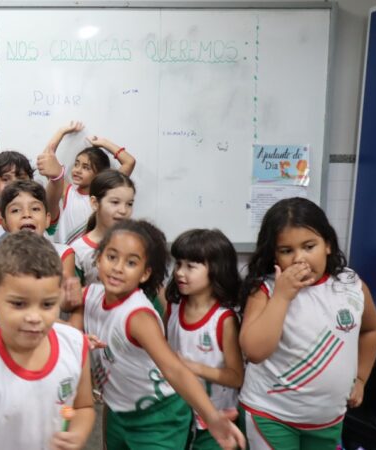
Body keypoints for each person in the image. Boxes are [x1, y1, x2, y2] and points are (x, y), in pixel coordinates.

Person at [69, 220, 245, 450]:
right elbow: (62, 316)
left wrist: (211, 417)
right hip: (119, 409)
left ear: (145, 274)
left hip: (159, 417)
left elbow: (175, 369)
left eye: (131, 263)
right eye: (112, 257)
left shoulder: (138, 317)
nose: (118, 267)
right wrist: (65, 296)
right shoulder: (90, 294)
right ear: (98, 258)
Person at [238, 197, 376, 449]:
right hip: (271, 415)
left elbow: (371, 330)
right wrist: (283, 295)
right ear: (274, 254)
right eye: (286, 251)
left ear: (327, 244)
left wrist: (360, 378)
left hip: (328, 419)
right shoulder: (266, 290)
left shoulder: (351, 285)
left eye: (309, 246)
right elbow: (254, 351)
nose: (299, 259)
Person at [0, 232, 95, 449]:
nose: (34, 317)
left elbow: (83, 406)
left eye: (47, 304)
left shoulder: (75, 346)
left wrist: (76, 433)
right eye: (19, 304)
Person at [164, 229, 244, 449]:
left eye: (191, 266)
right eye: (178, 264)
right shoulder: (173, 307)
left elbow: (236, 377)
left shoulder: (224, 320)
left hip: (218, 417)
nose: (180, 272)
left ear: (216, 270)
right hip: (177, 415)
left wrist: (192, 368)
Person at [0, 180, 81, 310]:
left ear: (47, 219)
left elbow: (64, 304)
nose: (27, 214)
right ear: (3, 222)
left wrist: (69, 298)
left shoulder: (62, 254)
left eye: (35, 209)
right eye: (16, 210)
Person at [37, 121, 136, 245]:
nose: (77, 170)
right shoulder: (68, 191)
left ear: (99, 174)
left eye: (86, 167)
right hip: (67, 257)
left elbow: (129, 162)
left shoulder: (107, 194)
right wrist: (62, 131)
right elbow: (47, 160)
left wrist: (103, 143)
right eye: (76, 164)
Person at [69, 169, 134, 286]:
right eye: (115, 202)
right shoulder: (78, 250)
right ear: (94, 203)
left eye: (129, 204)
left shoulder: (136, 245)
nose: (123, 211)